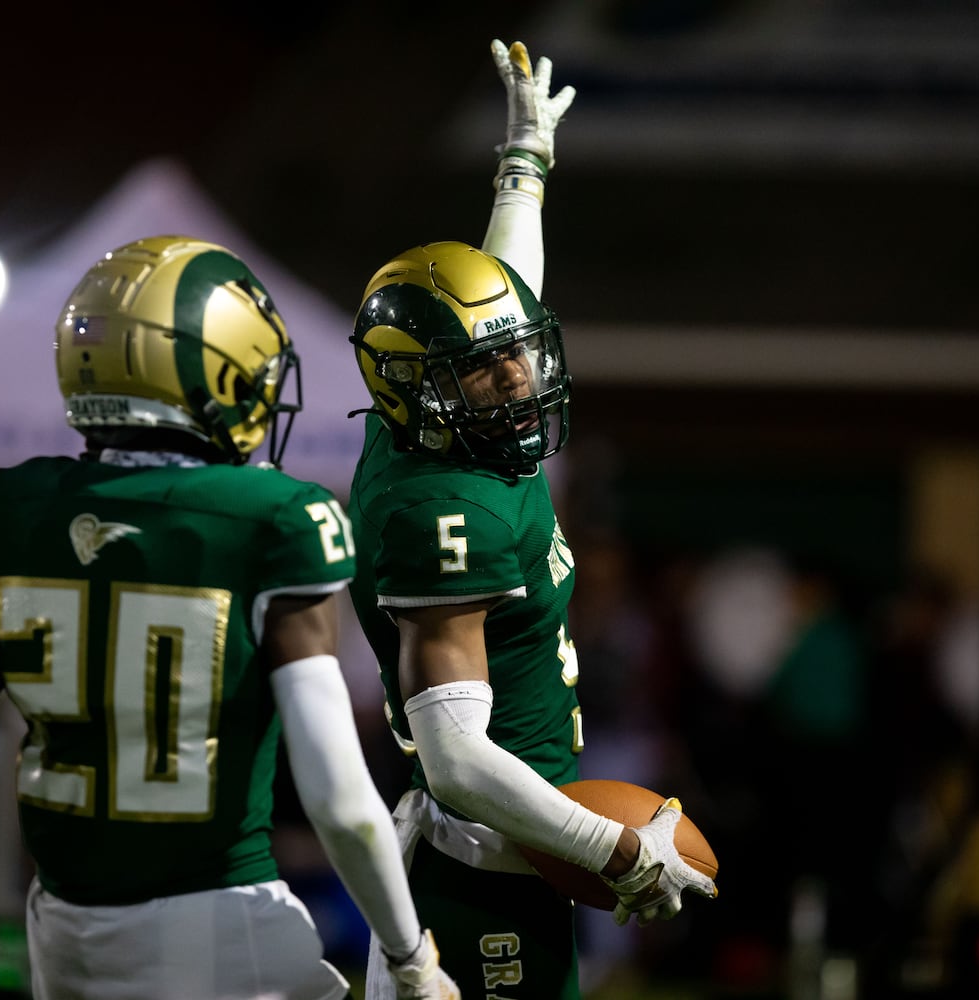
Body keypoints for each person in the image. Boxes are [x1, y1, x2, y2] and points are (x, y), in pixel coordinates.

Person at [0, 235, 458, 1000]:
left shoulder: (16, 511)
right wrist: (411, 960)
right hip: (224, 927)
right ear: (218, 375)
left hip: (64, 932)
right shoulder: (270, 520)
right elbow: (338, 798)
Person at [346, 44, 717, 1000]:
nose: (518, 377)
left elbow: (502, 285)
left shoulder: (447, 427)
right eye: (486, 368)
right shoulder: (443, 508)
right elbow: (461, 760)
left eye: (520, 352)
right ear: (418, 387)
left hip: (516, 845)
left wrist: (524, 164)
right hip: (485, 866)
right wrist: (615, 851)